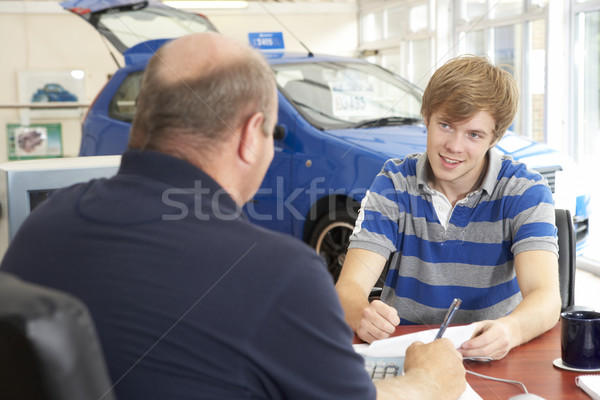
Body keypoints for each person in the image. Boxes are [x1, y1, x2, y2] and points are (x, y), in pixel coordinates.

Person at [0, 33, 466, 400]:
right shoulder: (277, 273)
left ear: (142, 120)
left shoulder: (41, 226)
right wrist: (430, 382)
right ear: (249, 136)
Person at [335, 55, 561, 360]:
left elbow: (545, 297)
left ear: (495, 137)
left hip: (493, 356)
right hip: (405, 353)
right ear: (426, 117)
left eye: (473, 134)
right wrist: (362, 313)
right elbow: (348, 287)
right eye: (445, 125)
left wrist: (511, 330)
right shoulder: (392, 183)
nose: (454, 146)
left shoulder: (526, 190)